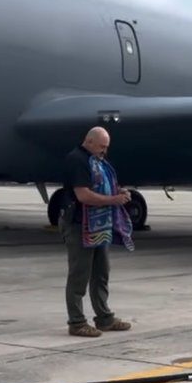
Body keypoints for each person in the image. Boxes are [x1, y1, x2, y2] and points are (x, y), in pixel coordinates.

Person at [61, 126, 135, 337]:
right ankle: (76, 322)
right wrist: (114, 200)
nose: (104, 151)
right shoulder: (78, 160)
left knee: (101, 273)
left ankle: (104, 318)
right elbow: (83, 195)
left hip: (99, 225)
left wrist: (118, 192)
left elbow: (102, 185)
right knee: (79, 274)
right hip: (79, 225)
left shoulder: (98, 161)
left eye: (106, 147)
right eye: (102, 146)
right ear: (89, 141)